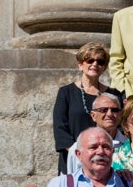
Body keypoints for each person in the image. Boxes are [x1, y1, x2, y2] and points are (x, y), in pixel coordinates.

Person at [52, 41, 123, 173]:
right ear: (80, 64)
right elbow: (60, 128)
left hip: (106, 161)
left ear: (104, 67)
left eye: (100, 62)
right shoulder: (66, 93)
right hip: (74, 159)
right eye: (90, 60)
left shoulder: (114, 95)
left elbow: (120, 128)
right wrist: (78, 153)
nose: (95, 64)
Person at [64, 92, 126, 177]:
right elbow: (73, 181)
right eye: (104, 110)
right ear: (93, 116)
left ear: (120, 114)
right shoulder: (79, 148)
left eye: (114, 110)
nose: (109, 114)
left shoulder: (129, 146)